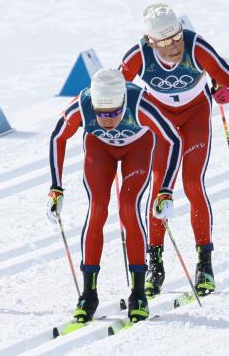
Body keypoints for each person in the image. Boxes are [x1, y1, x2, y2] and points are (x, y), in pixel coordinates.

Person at [119, 3, 229, 297]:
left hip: (195, 117)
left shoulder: (196, 46)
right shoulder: (138, 55)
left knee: (192, 183)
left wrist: (226, 93)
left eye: (176, 38)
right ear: (151, 41)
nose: (174, 47)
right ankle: (155, 263)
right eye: (164, 42)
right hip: (160, 121)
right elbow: (113, 92)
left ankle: (204, 264)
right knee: (159, 189)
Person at [47, 68, 181, 323]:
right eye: (101, 114)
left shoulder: (141, 103)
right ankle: (88, 294)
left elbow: (173, 138)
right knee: (97, 209)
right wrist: (56, 187)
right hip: (100, 150)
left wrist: (165, 189)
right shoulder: (81, 105)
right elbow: (57, 138)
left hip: (137, 150)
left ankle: (138, 293)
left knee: (129, 209)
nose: (107, 120)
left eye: (115, 113)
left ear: (123, 103)